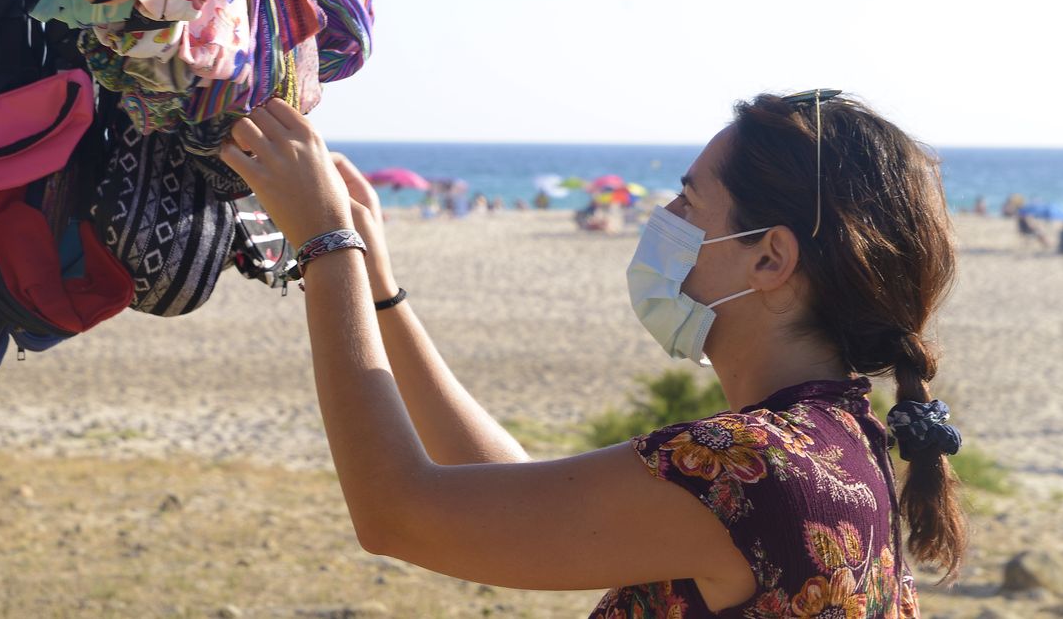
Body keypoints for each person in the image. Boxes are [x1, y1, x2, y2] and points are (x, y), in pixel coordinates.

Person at [219, 91, 962, 614]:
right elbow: (512, 497)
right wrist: (381, 291)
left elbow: (399, 514)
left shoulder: (751, 467)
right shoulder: (837, 446)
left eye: (688, 202)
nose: (663, 218)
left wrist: (327, 245)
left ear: (770, 259)